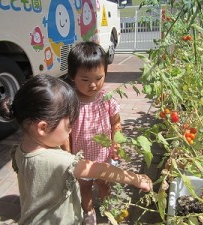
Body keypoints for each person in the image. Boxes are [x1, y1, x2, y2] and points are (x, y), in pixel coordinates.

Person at [0, 75, 152, 225]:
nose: (71, 130)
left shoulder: (21, 151)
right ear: (43, 128)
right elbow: (100, 170)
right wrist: (135, 179)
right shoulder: (59, 161)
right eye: (69, 125)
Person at [66, 41, 122, 224]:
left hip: (103, 156)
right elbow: (65, 131)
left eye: (99, 78)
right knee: (85, 186)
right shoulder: (71, 102)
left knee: (104, 183)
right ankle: (88, 212)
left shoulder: (106, 98)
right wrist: (66, 155)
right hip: (81, 159)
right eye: (85, 80)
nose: (93, 85)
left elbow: (116, 122)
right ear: (72, 76)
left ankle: (109, 207)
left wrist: (116, 143)